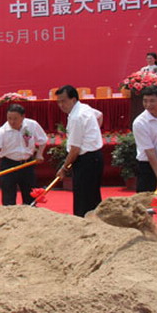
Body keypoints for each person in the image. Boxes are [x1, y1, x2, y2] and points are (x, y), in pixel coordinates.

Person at [55, 85, 104, 217]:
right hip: (95, 157)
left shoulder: (77, 117)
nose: (61, 105)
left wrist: (64, 168)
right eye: (58, 102)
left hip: (86, 160)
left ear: (73, 99)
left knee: (84, 199)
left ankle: (85, 222)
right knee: (92, 196)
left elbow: (75, 149)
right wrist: (92, 134)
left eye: (63, 101)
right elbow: (99, 115)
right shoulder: (84, 107)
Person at [0, 104, 48, 205]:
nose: (12, 122)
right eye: (9, 118)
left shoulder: (32, 125)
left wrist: (39, 154)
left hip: (27, 164)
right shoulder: (2, 131)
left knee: (30, 197)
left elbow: (43, 140)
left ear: (23, 117)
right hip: (9, 165)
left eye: (15, 119)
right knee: (8, 198)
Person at [132, 85, 157, 192]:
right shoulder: (140, 123)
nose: (148, 105)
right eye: (145, 101)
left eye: (152, 101)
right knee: (146, 199)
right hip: (148, 166)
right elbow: (150, 152)